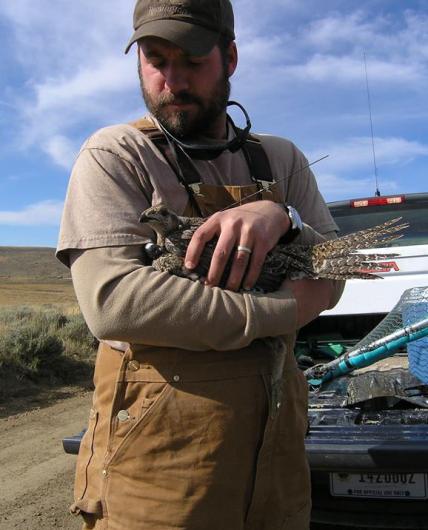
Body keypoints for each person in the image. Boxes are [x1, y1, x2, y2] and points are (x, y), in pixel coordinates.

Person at [57, 0, 343, 528]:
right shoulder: (116, 154)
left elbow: (333, 269)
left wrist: (283, 215)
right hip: (160, 473)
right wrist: (284, 309)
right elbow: (115, 304)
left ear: (229, 57)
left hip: (279, 463)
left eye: (192, 60)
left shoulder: (280, 159)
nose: (172, 79)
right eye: (155, 59)